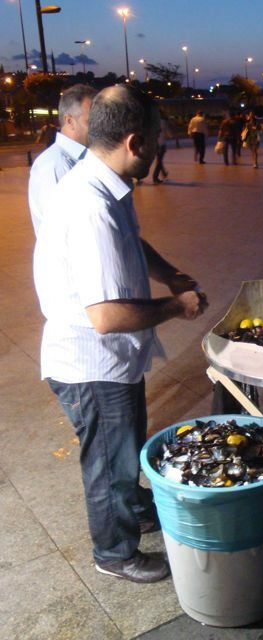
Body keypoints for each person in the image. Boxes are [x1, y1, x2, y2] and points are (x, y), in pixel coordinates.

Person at [33, 84, 209, 582]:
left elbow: (133, 243)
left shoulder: (104, 183)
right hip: (92, 364)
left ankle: (128, 506)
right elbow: (106, 317)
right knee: (110, 462)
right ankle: (114, 553)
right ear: (135, 142)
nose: (160, 147)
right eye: (156, 137)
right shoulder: (90, 205)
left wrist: (170, 274)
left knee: (123, 450)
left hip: (111, 361)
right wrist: (178, 305)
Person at [29, 84, 97, 236]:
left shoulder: (83, 159)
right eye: (91, 121)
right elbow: (64, 232)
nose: (98, 128)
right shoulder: (55, 165)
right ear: (69, 121)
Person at [152, 110, 171, 184]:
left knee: (159, 159)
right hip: (161, 143)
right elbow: (167, 132)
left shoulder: (152, 122)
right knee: (159, 160)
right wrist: (170, 135)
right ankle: (155, 177)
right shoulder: (162, 122)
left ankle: (163, 173)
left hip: (153, 143)